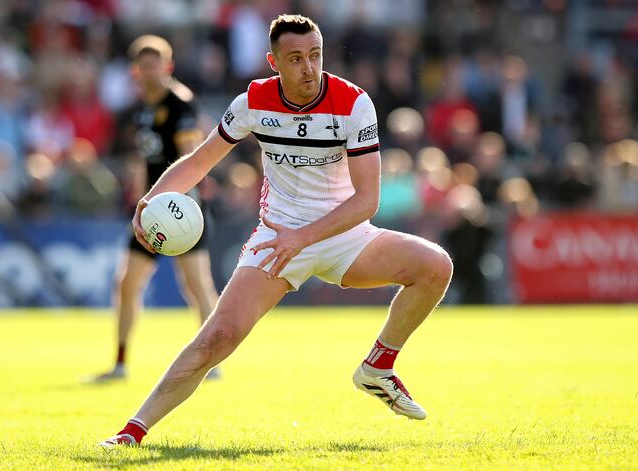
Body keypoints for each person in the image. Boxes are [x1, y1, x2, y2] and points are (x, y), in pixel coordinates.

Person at [99, 15, 453, 447]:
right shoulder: (252, 102)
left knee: (435, 266)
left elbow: (366, 201)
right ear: (274, 62)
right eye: (296, 59)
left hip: (343, 234)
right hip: (276, 237)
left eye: (316, 56)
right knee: (217, 337)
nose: (309, 68)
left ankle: (378, 367)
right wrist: (150, 199)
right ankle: (132, 432)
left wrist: (303, 239)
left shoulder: (353, 103)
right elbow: (198, 162)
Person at [89, 35, 220, 382]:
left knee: (196, 284)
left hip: (181, 207)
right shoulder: (142, 108)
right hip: (149, 208)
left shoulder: (181, 104)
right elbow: (142, 157)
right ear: (135, 71)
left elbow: (191, 158)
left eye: (156, 64)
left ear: (168, 66)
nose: (151, 72)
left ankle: (214, 360)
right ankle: (119, 362)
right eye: (144, 66)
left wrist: (184, 209)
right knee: (127, 283)